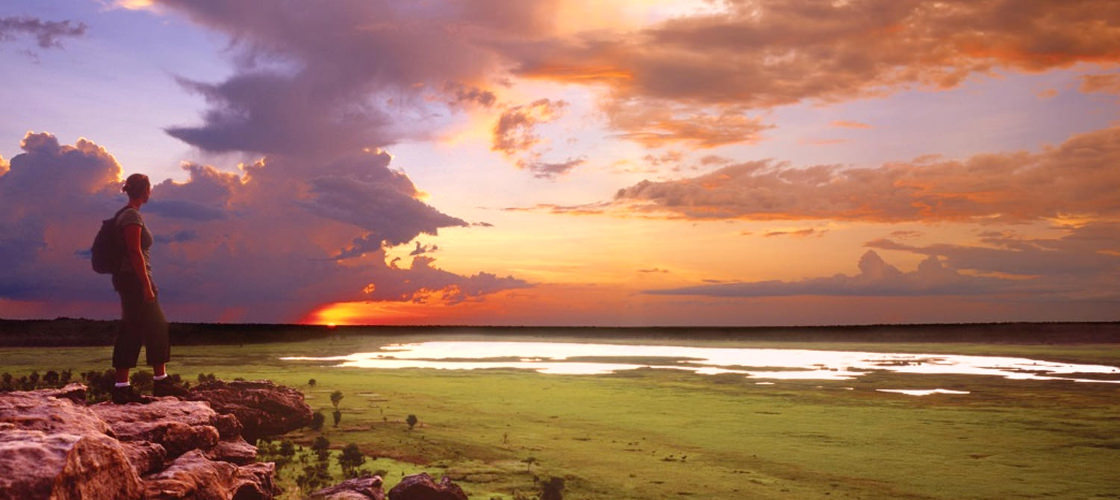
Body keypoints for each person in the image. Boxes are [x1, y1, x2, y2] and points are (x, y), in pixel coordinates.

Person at [109, 173, 188, 404]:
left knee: (154, 326)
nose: (150, 192)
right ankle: (124, 387)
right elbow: (134, 252)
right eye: (149, 188)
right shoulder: (131, 216)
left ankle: (158, 381)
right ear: (145, 190)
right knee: (135, 328)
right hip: (135, 279)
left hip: (133, 278)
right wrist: (146, 284)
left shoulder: (128, 214)